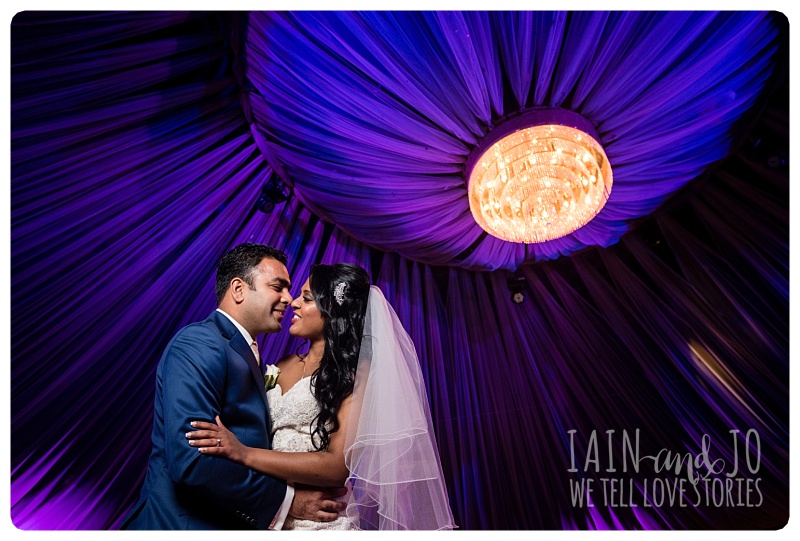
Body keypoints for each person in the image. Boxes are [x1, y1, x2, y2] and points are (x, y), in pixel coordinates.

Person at [186, 263, 456, 530]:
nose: (293, 304)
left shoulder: (355, 374)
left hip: (323, 521)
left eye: (306, 298)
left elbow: (337, 466)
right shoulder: (282, 364)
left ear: (331, 311)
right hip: (272, 513)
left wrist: (244, 454)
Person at [121, 243, 345, 529]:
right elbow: (193, 462)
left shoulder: (248, 352)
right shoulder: (199, 343)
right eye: (278, 287)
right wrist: (288, 503)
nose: (288, 299)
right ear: (238, 289)